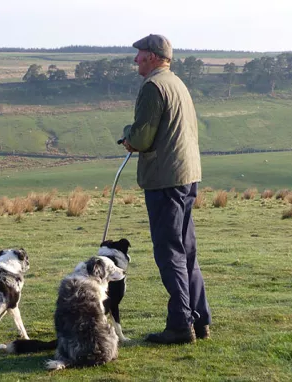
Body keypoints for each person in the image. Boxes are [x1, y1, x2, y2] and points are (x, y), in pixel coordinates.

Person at [121, 34, 212, 344]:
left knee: (169, 251)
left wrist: (127, 137)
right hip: (188, 175)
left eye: (140, 54)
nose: (136, 60)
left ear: (153, 57)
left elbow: (142, 139)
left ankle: (180, 325)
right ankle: (200, 320)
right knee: (186, 251)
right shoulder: (177, 83)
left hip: (165, 179)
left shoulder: (152, 87)